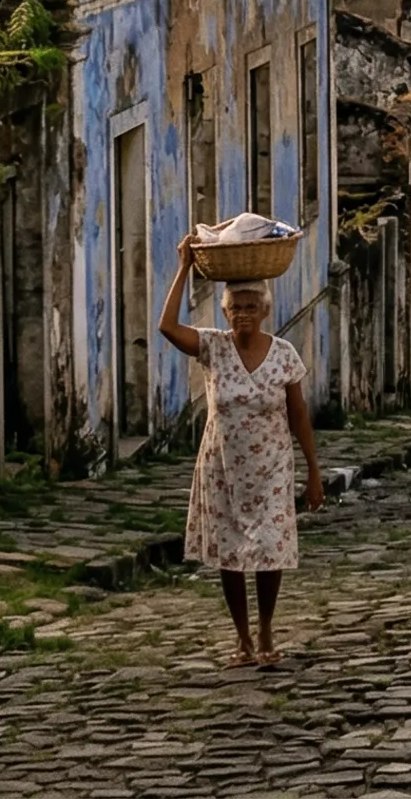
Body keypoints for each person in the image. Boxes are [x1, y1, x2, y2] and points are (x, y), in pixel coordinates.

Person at [158, 254, 322, 667]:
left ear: (265, 311)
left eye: (251, 307)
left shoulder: (284, 354)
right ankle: (243, 639)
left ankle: (266, 628)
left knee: (270, 549)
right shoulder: (213, 346)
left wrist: (314, 472)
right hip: (223, 468)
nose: (243, 315)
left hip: (272, 468)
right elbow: (167, 327)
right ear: (225, 312)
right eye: (235, 308)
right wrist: (183, 269)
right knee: (229, 553)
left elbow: (298, 414)